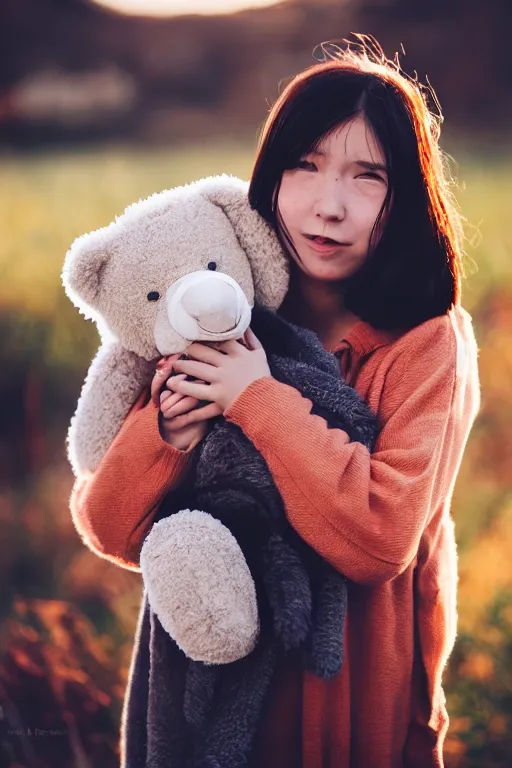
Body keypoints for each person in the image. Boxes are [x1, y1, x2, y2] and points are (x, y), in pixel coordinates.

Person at [69, 37, 480, 768]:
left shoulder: (426, 344)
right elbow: (110, 528)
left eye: (368, 177)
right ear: (271, 175)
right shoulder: (215, 309)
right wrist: (168, 434)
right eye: (306, 165)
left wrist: (257, 397)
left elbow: (379, 539)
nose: (329, 206)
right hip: (198, 698)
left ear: (406, 193)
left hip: (350, 699)